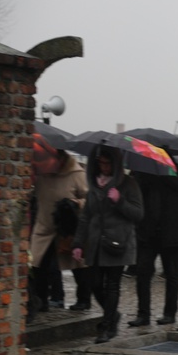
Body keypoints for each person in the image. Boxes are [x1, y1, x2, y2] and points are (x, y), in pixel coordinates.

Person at [72, 146, 143, 344]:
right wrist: (78, 243)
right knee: (93, 283)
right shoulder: (94, 185)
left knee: (112, 286)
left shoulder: (128, 184)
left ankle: (107, 327)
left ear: (115, 164)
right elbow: (86, 216)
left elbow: (138, 214)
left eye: (107, 163)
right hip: (95, 244)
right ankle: (112, 316)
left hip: (118, 243)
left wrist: (119, 201)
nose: (104, 167)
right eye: (100, 163)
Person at [127, 158, 178, 327]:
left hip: (171, 231)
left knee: (171, 273)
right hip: (148, 231)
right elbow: (135, 191)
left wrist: (166, 173)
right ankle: (143, 314)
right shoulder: (143, 171)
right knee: (143, 273)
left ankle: (169, 313)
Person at [30, 149, 92, 312]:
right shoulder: (41, 173)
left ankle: (84, 299)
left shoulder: (77, 173)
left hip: (68, 227)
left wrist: (76, 203)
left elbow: (90, 200)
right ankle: (41, 299)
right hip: (44, 225)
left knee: (78, 264)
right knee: (39, 265)